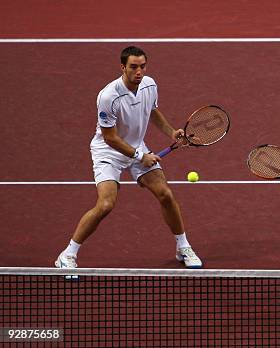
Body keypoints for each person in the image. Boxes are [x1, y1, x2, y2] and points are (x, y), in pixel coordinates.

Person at [55, 46, 203, 274]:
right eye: (133, 67)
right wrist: (139, 156)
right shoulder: (108, 97)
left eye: (142, 66)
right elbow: (110, 138)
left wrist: (172, 132)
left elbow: (152, 111)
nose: (139, 72)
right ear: (122, 67)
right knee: (105, 205)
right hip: (108, 153)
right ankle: (68, 254)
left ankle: (183, 247)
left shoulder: (150, 85)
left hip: (137, 149)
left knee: (165, 194)